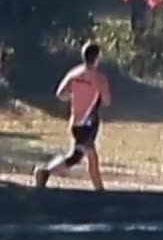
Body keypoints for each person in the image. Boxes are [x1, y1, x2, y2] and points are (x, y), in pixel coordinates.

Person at [33, 42, 113, 190]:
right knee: (75, 157)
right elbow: (107, 101)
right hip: (88, 124)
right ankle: (44, 171)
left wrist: (76, 95)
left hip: (76, 121)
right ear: (97, 58)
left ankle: (100, 190)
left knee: (91, 156)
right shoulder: (99, 78)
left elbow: (61, 94)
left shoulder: (74, 73)